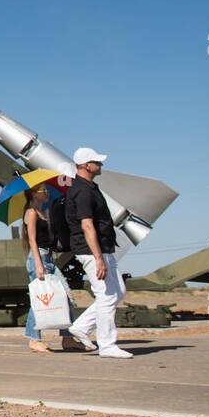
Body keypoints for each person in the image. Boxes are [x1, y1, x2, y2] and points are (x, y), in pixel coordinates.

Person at [64, 147, 131, 358]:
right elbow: (86, 225)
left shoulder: (90, 187)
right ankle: (107, 345)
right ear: (86, 165)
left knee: (117, 291)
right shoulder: (82, 191)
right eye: (97, 162)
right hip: (92, 250)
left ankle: (82, 327)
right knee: (106, 295)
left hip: (103, 248)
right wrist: (98, 258)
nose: (100, 165)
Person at [22, 185, 88, 353]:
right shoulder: (30, 213)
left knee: (65, 296)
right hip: (39, 259)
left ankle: (67, 339)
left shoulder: (43, 213)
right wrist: (38, 264)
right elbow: (32, 241)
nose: (47, 192)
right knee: (40, 298)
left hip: (49, 258)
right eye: (44, 190)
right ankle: (34, 339)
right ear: (34, 193)